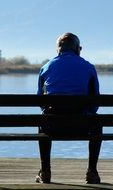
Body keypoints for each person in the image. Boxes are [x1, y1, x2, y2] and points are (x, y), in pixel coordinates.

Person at [36, 32, 102, 184]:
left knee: (42, 120)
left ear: (58, 49)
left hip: (53, 126)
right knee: (97, 122)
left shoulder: (45, 67)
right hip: (82, 125)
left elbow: (41, 101)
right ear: (78, 49)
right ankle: (92, 172)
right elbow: (95, 103)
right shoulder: (88, 67)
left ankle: (45, 171)